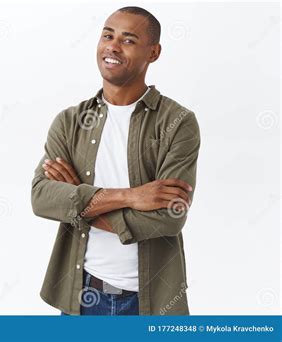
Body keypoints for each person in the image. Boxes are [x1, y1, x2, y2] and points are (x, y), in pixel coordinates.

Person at [31, 6, 200, 315]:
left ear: (154, 52)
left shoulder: (178, 122)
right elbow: (41, 198)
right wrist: (131, 196)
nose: (112, 45)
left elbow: (170, 217)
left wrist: (78, 202)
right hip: (81, 295)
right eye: (107, 35)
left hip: (149, 301)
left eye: (128, 39)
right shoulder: (70, 122)